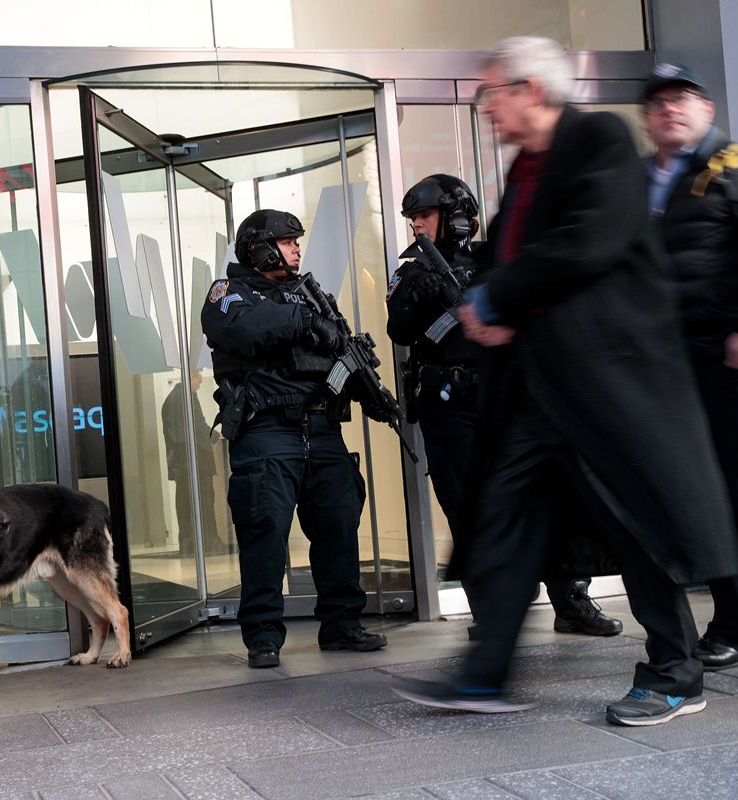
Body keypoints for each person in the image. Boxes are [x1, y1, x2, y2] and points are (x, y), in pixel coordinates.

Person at [393, 37, 738, 727]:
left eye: (494, 93)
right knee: (505, 519)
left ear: (531, 89)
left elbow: (589, 240)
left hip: (604, 382)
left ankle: (675, 673)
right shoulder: (526, 165)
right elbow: (505, 256)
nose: (488, 108)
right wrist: (485, 305)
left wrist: (496, 300)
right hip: (534, 387)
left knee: (631, 520)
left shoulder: (598, 138)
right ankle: (484, 676)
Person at [387, 174, 621, 638]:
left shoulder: (491, 258)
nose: (416, 225)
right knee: (468, 506)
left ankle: (571, 601)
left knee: (542, 495)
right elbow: (399, 329)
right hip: (450, 405)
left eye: (425, 215)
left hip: (504, 396)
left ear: (456, 216)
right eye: (412, 217)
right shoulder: (411, 270)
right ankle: (492, 611)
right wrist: (419, 295)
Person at [201, 209, 388, 669]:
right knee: (265, 535)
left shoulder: (312, 296)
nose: (296, 249)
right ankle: (263, 636)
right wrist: (304, 322)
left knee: (338, 527)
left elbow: (340, 353)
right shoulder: (230, 293)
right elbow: (246, 329)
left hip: (322, 428)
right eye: (287, 242)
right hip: (267, 431)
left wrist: (370, 392)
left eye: (297, 242)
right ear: (259, 248)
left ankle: (342, 625)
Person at [641, 63, 738, 670]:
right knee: (688, 494)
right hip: (666, 367)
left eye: (682, 98)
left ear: (707, 109)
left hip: (729, 359)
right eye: (658, 102)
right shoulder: (642, 178)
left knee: (727, 492)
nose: (670, 108)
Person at [161, 370, 226, 557]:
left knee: (184, 504)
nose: (199, 386)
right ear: (190, 378)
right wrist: (216, 435)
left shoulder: (171, 399)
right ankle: (208, 543)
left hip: (181, 464)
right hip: (195, 463)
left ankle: (188, 544)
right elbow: (197, 426)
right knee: (204, 502)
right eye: (198, 381)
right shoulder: (186, 398)